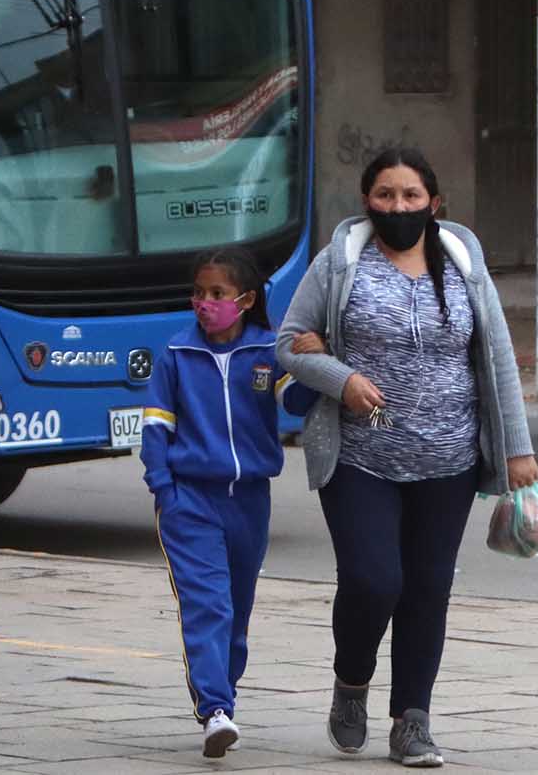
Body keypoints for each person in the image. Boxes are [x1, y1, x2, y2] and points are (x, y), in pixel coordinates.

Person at [275, 146, 538, 768]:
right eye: (387, 196)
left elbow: (497, 356)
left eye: (412, 197)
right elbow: (288, 343)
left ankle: (411, 722)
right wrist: (340, 378)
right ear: (367, 201)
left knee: (427, 589)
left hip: (448, 460)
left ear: (433, 203)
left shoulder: (461, 261)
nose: (399, 207)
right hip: (361, 453)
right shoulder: (339, 264)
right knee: (374, 581)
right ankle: (351, 680)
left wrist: (518, 449)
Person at [140, 246, 315, 758]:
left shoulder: (265, 353)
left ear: (246, 299)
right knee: (207, 605)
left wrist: (308, 360)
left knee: (236, 612)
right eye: (199, 293)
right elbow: (155, 428)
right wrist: (164, 489)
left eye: (218, 294)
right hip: (189, 501)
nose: (205, 303)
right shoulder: (176, 355)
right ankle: (213, 709)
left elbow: (297, 403)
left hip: (250, 502)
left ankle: (226, 702)